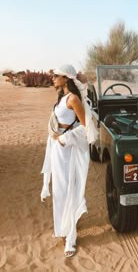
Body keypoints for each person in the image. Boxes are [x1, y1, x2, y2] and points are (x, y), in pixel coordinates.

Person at [40, 64, 97, 258]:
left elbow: (85, 127)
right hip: (57, 151)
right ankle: (64, 226)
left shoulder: (73, 99)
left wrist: (64, 139)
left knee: (68, 190)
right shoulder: (62, 98)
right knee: (59, 191)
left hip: (68, 149)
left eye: (56, 75)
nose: (53, 78)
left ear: (66, 78)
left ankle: (70, 238)